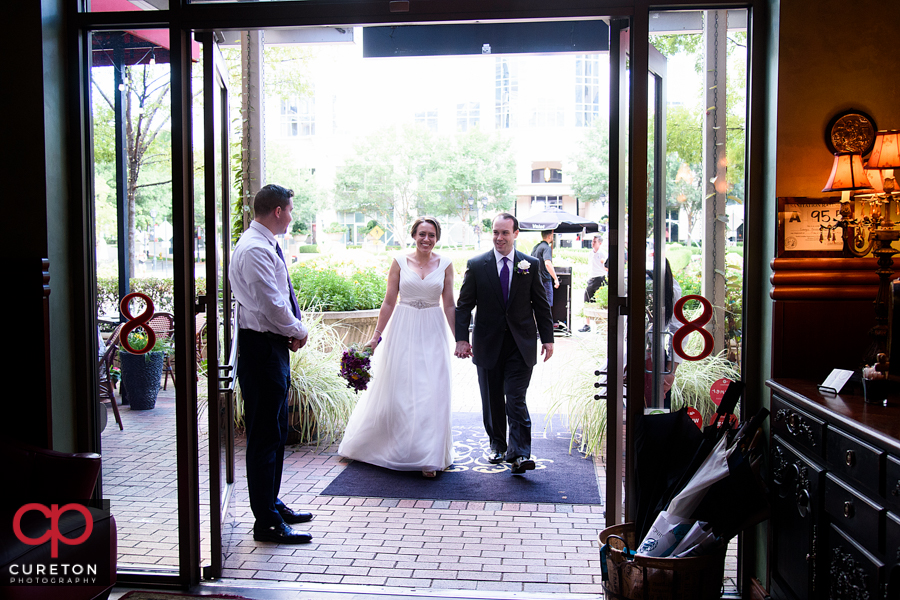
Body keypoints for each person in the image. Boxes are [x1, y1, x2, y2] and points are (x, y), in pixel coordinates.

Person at [338, 217, 456, 478]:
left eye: (432, 235)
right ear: (414, 235)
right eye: (422, 234)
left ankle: (429, 456)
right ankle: (393, 445)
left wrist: (459, 338)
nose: (426, 239)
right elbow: (389, 302)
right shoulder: (400, 262)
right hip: (404, 327)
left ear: (437, 238)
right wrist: (376, 337)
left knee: (432, 389)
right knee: (401, 387)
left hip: (433, 330)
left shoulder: (446, 264)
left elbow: (449, 304)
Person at [229, 184, 314, 545]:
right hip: (261, 349)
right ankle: (265, 522)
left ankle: (271, 503)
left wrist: (288, 333)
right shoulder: (254, 249)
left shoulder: (264, 244)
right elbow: (271, 304)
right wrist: (298, 330)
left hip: (269, 346)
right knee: (264, 436)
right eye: (290, 210)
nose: (292, 217)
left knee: (275, 430)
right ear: (278, 211)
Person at [454, 213, 555, 475]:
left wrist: (548, 339)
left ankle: (520, 454)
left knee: (516, 398)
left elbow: (541, 305)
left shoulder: (530, 265)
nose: (499, 238)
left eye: (505, 233)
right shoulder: (477, 265)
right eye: (496, 232)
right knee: (492, 398)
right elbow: (464, 305)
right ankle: (497, 444)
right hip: (487, 344)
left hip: (520, 345)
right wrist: (462, 338)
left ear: (516, 234)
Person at [579, 234, 608, 333]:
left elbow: (607, 268)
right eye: (592, 241)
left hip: (600, 278)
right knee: (587, 300)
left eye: (594, 241)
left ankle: (599, 326)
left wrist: (603, 263)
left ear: (600, 243)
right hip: (591, 278)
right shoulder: (590, 253)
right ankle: (587, 325)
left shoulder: (603, 253)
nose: (592, 243)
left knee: (599, 303)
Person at [530, 230, 559, 306]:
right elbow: (548, 264)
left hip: (536, 281)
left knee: (537, 305)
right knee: (547, 305)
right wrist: (556, 279)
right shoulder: (546, 248)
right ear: (550, 236)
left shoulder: (536, 247)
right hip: (545, 281)